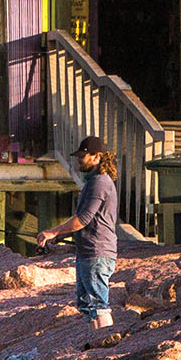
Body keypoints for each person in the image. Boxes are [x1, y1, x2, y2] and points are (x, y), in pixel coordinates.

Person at [40, 136, 121, 329]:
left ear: (96, 157)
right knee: (86, 305)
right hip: (87, 253)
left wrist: (52, 232)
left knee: (98, 305)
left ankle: (106, 343)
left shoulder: (100, 183)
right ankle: (96, 344)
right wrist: (59, 236)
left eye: (83, 156)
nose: (79, 159)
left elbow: (82, 219)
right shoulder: (93, 182)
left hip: (97, 253)